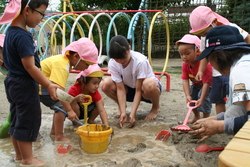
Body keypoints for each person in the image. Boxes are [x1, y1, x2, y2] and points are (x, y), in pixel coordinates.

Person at [1, 0, 59, 166]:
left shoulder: (10, 32)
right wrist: (48, 84)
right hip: (24, 84)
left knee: (17, 119)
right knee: (28, 120)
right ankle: (28, 159)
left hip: (12, 81)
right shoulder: (23, 35)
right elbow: (30, 66)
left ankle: (20, 155)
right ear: (27, 10)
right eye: (41, 13)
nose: (41, 19)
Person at [189, 25, 250, 143]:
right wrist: (216, 119)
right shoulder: (243, 62)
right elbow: (240, 110)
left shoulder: (241, 70)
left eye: (209, 59)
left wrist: (219, 126)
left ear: (217, 56)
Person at [189, 5, 250, 115]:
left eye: (205, 33)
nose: (203, 36)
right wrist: (201, 70)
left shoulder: (231, 28)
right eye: (201, 34)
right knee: (219, 99)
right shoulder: (207, 38)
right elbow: (205, 54)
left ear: (214, 22)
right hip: (220, 72)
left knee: (236, 96)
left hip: (231, 69)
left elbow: (247, 38)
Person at [39, 37, 98, 143]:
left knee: (62, 104)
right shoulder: (62, 65)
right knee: (62, 107)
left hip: (39, 85)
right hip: (39, 86)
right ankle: (59, 136)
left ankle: (54, 132)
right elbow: (59, 93)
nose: (86, 68)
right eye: (87, 64)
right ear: (76, 56)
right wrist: (70, 110)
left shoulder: (64, 61)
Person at [101, 35, 162, 128]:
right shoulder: (112, 63)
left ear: (129, 49)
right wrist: (123, 113)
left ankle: (155, 108)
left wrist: (133, 114)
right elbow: (120, 89)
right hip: (129, 89)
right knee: (105, 84)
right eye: (117, 59)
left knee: (149, 84)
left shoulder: (140, 61)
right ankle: (122, 108)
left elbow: (138, 90)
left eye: (123, 58)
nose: (121, 61)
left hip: (146, 90)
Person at [176, 34, 212, 123]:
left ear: (198, 51)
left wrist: (202, 98)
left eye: (187, 53)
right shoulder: (185, 65)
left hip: (209, 86)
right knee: (192, 97)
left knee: (203, 99)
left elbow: (206, 84)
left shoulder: (205, 65)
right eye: (181, 54)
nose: (184, 57)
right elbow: (185, 80)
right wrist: (188, 95)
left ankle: (205, 118)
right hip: (196, 84)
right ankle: (196, 116)